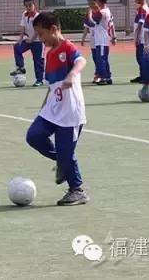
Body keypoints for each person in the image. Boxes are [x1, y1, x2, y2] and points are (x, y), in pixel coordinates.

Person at [25, 11, 89, 206]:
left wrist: (71, 75)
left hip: (70, 113)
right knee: (33, 136)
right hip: (52, 109)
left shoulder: (67, 47)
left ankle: (77, 190)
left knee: (66, 152)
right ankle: (61, 160)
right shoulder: (49, 52)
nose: (40, 39)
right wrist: (43, 107)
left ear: (53, 29)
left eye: (42, 34)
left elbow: (81, 60)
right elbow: (51, 86)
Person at [10, 0, 45, 86]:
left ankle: (39, 80)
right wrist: (20, 39)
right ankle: (21, 67)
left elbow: (38, 30)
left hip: (38, 42)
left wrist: (32, 39)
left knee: (37, 60)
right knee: (17, 47)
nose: (28, 8)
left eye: (30, 5)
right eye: (26, 6)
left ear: (34, 5)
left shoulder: (38, 16)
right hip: (29, 40)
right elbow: (23, 27)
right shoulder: (24, 14)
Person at [131, 0, 149, 84]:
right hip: (141, 37)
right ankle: (142, 75)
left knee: (141, 57)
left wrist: (138, 37)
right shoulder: (141, 8)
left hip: (142, 37)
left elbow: (140, 23)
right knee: (139, 57)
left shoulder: (143, 8)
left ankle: (145, 76)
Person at [81, 0, 100, 84]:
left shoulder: (101, 12)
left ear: (97, 2)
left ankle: (99, 74)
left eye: (92, 3)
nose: (90, 6)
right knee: (95, 57)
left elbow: (97, 24)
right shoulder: (89, 12)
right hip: (92, 39)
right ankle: (98, 73)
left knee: (100, 57)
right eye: (89, 4)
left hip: (100, 39)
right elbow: (86, 27)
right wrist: (83, 38)